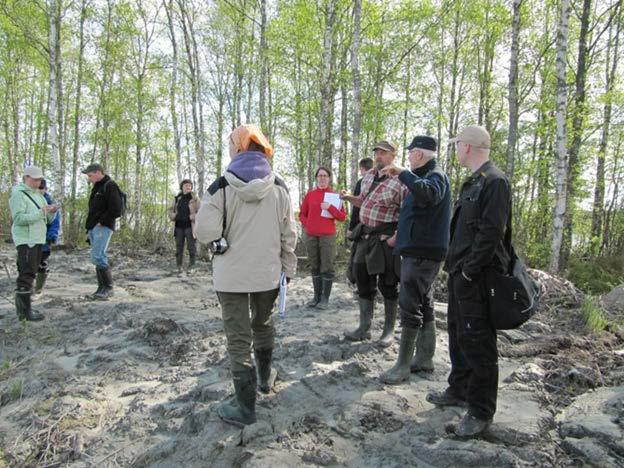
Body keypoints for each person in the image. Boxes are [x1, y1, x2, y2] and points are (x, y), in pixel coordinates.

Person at [195, 124, 297, 427]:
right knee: (263, 324)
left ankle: (245, 407)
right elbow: (288, 233)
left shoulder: (220, 186)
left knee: (238, 339)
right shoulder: (279, 186)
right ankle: (265, 379)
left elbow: (204, 231)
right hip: (268, 273)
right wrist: (288, 267)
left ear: (238, 147)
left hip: (231, 276)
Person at [426, 125, 511, 438]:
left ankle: (480, 411)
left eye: (457, 143)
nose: (455, 148)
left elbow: (491, 234)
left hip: (477, 277)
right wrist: (456, 271)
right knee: (459, 335)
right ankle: (458, 390)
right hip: (460, 274)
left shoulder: (495, 182)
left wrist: (469, 272)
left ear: (469, 146)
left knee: (478, 342)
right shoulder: (472, 182)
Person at [377, 136, 451, 384]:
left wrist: (403, 173)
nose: (408, 157)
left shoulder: (435, 176)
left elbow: (429, 195)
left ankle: (402, 366)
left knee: (409, 306)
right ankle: (424, 359)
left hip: (422, 254)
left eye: (410, 153)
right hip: (417, 251)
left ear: (419, 155)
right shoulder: (427, 176)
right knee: (424, 303)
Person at [340, 140, 408, 346]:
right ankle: (364, 328)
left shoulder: (402, 180)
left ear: (393, 155)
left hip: (385, 238)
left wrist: (397, 237)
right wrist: (348, 198)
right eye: (377, 152)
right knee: (361, 277)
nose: (379, 156)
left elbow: (408, 212)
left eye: (383, 153)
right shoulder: (369, 176)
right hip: (365, 236)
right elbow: (362, 200)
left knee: (388, 283)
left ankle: (388, 332)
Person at [9, 166, 59, 321]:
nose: (39, 182)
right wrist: (41, 211)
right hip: (26, 240)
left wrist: (52, 212)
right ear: (26, 178)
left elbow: (46, 219)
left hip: (38, 239)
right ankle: (24, 313)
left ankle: (26, 309)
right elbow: (19, 219)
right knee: (27, 274)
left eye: (40, 179)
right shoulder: (18, 194)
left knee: (32, 272)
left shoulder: (38, 195)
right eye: (36, 179)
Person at [299, 166, 346, 309]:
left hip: (327, 236)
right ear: (316, 178)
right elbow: (302, 214)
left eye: (325, 175)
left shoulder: (335, 196)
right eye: (320, 175)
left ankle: (325, 299)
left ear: (329, 178)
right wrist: (309, 225)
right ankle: (316, 297)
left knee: (327, 266)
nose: (322, 178)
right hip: (311, 235)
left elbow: (342, 217)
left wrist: (330, 208)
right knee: (314, 266)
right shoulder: (310, 195)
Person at [82, 163, 123, 299]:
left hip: (103, 226)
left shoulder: (110, 185)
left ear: (99, 172)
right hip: (94, 227)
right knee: (96, 257)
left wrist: (102, 222)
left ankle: (108, 288)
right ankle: (101, 288)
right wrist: (89, 227)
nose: (89, 178)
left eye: (90, 175)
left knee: (98, 256)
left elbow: (116, 209)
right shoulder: (97, 187)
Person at [34, 179, 61, 294]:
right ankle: (26, 287)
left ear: (45, 189)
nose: (39, 191)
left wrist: (51, 236)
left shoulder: (51, 204)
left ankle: (38, 290)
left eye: (41, 188)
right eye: (37, 188)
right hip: (30, 238)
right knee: (26, 263)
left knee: (41, 262)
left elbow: (55, 222)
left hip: (45, 239)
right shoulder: (29, 201)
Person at [168, 179, 200, 273]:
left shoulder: (195, 199)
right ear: (182, 187)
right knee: (179, 248)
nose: (188, 187)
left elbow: (201, 212)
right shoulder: (177, 198)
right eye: (186, 185)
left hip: (190, 227)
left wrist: (192, 217)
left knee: (191, 247)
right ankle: (179, 266)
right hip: (178, 227)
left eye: (190, 185)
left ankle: (192, 266)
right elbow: (170, 210)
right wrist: (174, 216)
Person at [347, 158, 374, 235]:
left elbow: (357, 205)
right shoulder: (382, 180)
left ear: (362, 168)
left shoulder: (362, 182)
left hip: (362, 225)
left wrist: (351, 227)